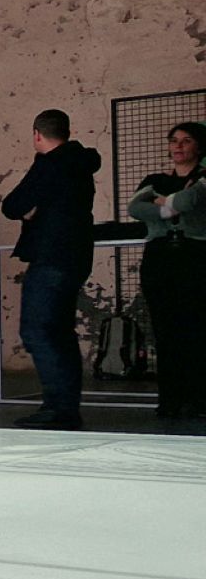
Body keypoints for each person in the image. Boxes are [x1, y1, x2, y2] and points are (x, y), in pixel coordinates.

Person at [0, 110, 102, 429]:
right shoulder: (81, 163)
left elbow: (12, 205)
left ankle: (57, 407)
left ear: (37, 135)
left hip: (50, 255)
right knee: (61, 332)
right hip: (76, 256)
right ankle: (67, 406)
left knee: (38, 330)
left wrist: (31, 211)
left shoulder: (49, 163)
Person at [127, 121, 206, 421]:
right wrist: (169, 208)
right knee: (165, 330)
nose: (178, 146)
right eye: (174, 140)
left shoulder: (203, 178)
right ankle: (170, 399)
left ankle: (198, 400)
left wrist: (163, 203)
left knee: (196, 329)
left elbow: (190, 199)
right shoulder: (155, 179)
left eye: (186, 141)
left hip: (195, 256)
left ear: (199, 146)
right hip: (160, 258)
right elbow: (135, 207)